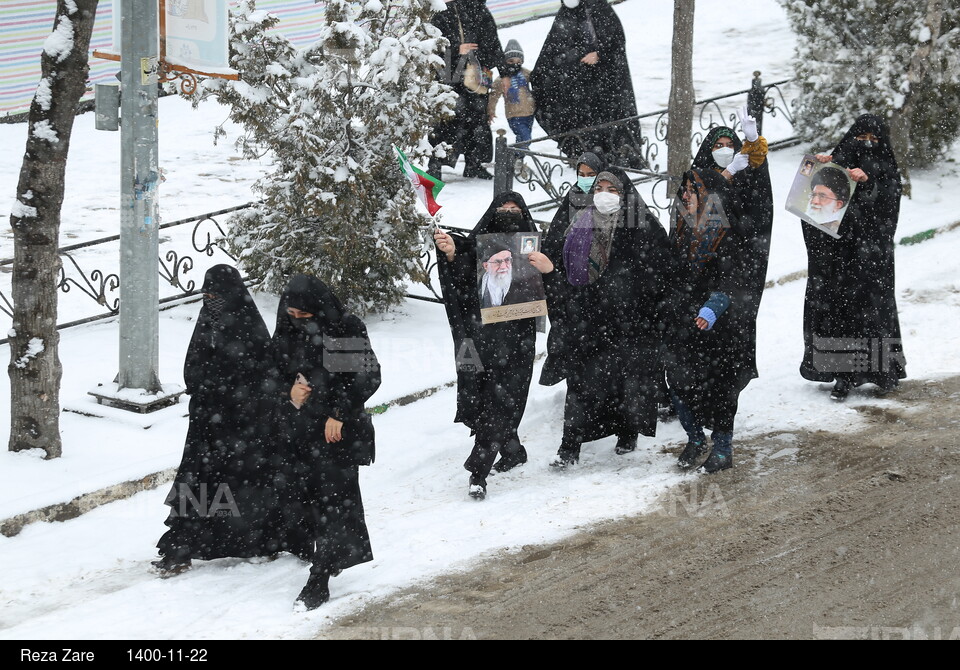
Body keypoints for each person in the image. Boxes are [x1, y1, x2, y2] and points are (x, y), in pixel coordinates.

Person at [534, 167, 670, 466]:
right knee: (582, 383)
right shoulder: (580, 223)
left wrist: (633, 294)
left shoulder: (642, 225)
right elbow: (566, 267)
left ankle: (626, 431)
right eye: (598, 188)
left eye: (612, 189)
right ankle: (569, 446)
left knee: (626, 383)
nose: (603, 195)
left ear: (624, 194)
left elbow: (660, 271)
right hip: (589, 319)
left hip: (630, 322)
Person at [154, 265, 276, 576]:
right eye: (206, 295)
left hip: (243, 426)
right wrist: (206, 391)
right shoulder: (208, 321)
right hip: (208, 425)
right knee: (200, 482)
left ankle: (251, 541)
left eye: (216, 295)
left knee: (239, 484)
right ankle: (184, 546)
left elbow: (261, 375)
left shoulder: (250, 328)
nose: (210, 300)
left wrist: (230, 395)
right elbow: (193, 366)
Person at [269, 274, 380, 610]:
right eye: (294, 316)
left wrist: (339, 413)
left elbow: (363, 377)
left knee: (336, 502)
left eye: (306, 316)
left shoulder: (342, 327)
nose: (300, 322)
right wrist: (288, 393)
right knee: (307, 500)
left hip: (336, 433)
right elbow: (271, 372)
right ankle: (321, 553)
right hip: (297, 431)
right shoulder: (288, 327)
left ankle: (320, 577)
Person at [434, 193, 539, 500]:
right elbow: (464, 272)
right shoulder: (479, 247)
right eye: (503, 209)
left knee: (503, 402)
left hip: (518, 342)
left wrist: (545, 269)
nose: (509, 214)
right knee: (489, 401)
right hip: (483, 342)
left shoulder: (530, 249)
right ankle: (513, 450)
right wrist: (453, 253)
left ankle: (478, 471)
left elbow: (553, 276)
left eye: (515, 210)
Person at [799, 114, 906, 401]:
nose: (867, 145)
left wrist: (869, 183)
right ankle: (843, 377)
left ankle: (881, 371)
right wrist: (819, 169)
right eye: (861, 138)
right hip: (837, 258)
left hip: (870, 259)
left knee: (870, 313)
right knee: (839, 315)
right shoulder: (836, 164)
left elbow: (888, 209)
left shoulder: (886, 170)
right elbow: (812, 210)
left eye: (874, 139)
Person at [687, 106, 773, 417]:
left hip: (736, 272)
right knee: (696, 340)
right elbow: (693, 215)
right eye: (718, 146)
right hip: (701, 272)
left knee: (730, 340)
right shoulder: (696, 181)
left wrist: (755, 146)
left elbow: (761, 202)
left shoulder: (744, 177)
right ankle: (691, 400)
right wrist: (725, 175)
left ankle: (723, 405)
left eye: (730, 145)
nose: (725, 151)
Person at [665, 168, 750, 473]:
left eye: (693, 189)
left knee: (720, 387)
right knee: (677, 381)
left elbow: (735, 277)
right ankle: (696, 439)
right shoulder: (678, 230)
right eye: (684, 188)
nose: (685, 194)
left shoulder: (726, 232)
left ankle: (724, 448)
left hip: (721, 325)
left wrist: (715, 304)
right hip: (682, 320)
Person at [531, 0, 643, 168]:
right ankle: (583, 151)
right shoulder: (565, 15)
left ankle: (615, 152)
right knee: (579, 117)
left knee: (606, 116)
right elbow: (553, 48)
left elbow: (615, 38)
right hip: (578, 83)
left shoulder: (598, 8)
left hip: (603, 81)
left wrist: (600, 54)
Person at [429, 0, 505, 180]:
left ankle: (474, 164)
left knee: (477, 120)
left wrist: (503, 70)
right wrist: (455, 49)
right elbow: (429, 46)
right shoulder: (438, 11)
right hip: (447, 77)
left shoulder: (476, 8)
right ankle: (435, 166)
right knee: (445, 121)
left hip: (475, 76)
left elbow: (491, 40)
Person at [486, 39, 536, 171]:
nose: (515, 65)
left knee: (523, 139)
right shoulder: (501, 80)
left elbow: (538, 81)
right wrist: (490, 111)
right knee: (525, 138)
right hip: (514, 115)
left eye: (519, 62)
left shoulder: (526, 74)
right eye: (511, 62)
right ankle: (516, 158)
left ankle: (516, 159)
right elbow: (493, 97)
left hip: (529, 113)